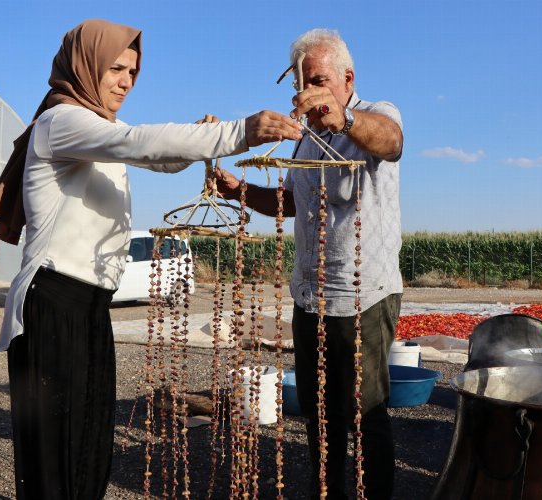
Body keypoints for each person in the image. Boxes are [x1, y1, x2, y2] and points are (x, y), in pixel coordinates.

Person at [0, 19, 301, 500]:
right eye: (115, 68)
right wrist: (238, 132)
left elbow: (159, 157)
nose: (126, 81)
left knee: (89, 439)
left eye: (132, 71)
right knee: (55, 450)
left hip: (88, 303)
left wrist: (198, 138)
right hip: (53, 298)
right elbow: (138, 144)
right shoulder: (61, 122)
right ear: (84, 66)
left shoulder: (98, 128)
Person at [216, 28, 404, 500]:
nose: (307, 94)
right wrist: (237, 190)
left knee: (365, 414)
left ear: (347, 78)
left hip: (363, 297)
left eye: (317, 80)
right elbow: (291, 201)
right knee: (320, 416)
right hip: (311, 298)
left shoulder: (376, 116)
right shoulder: (305, 141)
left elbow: (392, 141)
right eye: (301, 84)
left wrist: (343, 119)